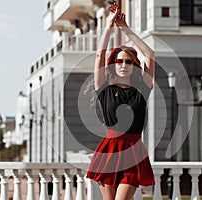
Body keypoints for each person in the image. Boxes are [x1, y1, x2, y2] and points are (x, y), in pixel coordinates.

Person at [86, 3, 155, 200]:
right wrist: (109, 24)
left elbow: (150, 55)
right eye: (120, 61)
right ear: (113, 65)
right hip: (108, 151)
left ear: (134, 66)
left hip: (134, 152)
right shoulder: (104, 89)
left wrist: (126, 30)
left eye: (128, 61)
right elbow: (100, 54)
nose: (124, 65)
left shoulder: (142, 90)